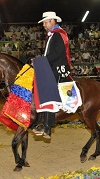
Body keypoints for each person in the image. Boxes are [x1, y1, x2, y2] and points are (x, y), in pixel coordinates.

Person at [31, 11, 71, 139]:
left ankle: (47, 126)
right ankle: (40, 122)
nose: (43, 24)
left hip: (58, 68)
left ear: (52, 21)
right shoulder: (51, 35)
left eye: (45, 22)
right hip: (51, 67)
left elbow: (58, 54)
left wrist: (41, 61)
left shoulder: (58, 35)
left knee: (49, 92)